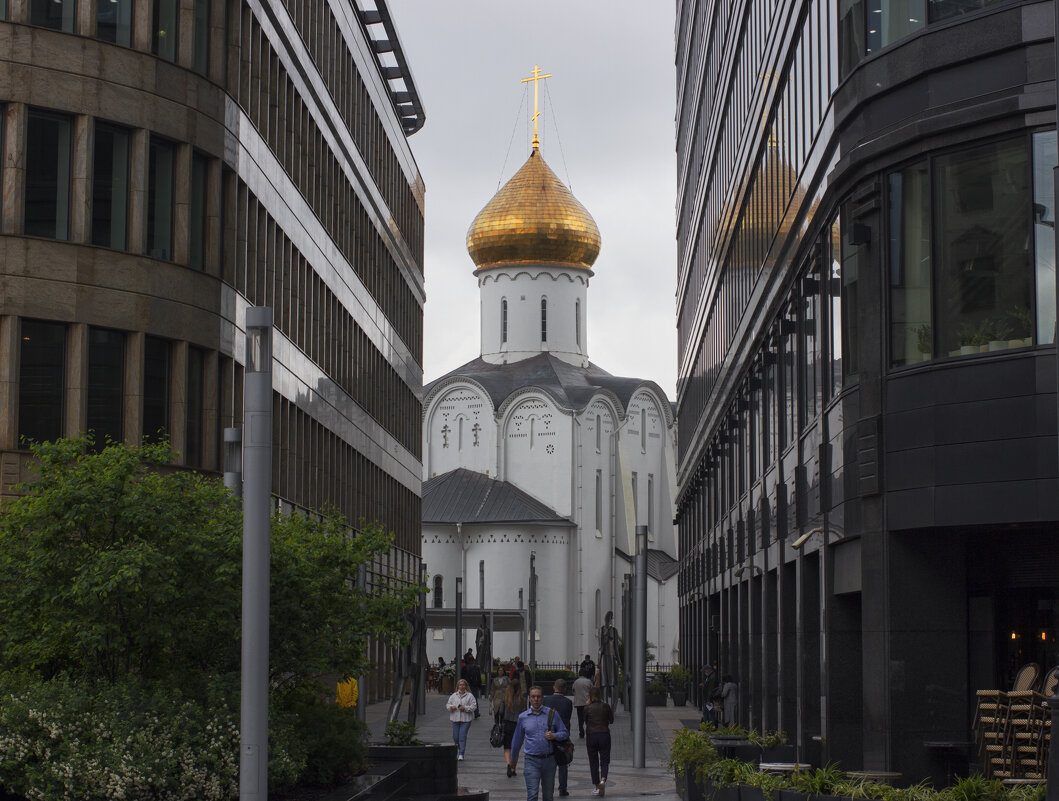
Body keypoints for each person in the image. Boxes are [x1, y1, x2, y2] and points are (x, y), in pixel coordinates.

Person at [509, 684, 569, 801]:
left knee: (548, 796)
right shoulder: (523, 717)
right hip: (531, 760)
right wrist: (512, 760)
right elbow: (517, 740)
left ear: (542, 698)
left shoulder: (552, 714)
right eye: (533, 697)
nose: (536, 699)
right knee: (532, 795)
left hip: (549, 760)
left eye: (538, 697)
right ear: (530, 698)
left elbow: (564, 733)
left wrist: (554, 735)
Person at [542, 678, 574, 797]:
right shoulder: (568, 702)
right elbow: (567, 719)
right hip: (562, 737)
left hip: (547, 735)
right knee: (562, 763)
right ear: (565, 689)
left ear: (554, 688)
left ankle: (548, 787)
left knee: (548, 763)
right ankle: (562, 788)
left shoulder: (545, 700)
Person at [584, 685, 613, 797]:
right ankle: (603, 780)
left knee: (593, 761)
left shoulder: (587, 707)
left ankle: (596, 785)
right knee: (605, 760)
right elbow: (611, 720)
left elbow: (585, 721)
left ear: (590, 696)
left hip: (591, 735)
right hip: (604, 734)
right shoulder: (605, 706)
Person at [446, 678, 478, 761]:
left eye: (463, 685)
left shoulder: (470, 696)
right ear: (458, 686)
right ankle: (459, 749)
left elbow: (474, 706)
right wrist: (451, 707)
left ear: (466, 686)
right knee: (455, 737)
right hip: (455, 719)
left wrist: (465, 708)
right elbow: (448, 704)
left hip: (466, 720)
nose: (462, 686)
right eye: (460, 685)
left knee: (462, 736)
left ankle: (461, 754)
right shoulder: (453, 695)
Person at [501, 677, 527, 776]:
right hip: (518, 724)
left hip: (507, 723)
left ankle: (508, 764)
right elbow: (525, 713)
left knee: (507, 747)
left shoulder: (506, 697)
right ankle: (513, 768)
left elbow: (501, 711)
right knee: (515, 747)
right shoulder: (522, 699)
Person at [598, 612, 621, 705]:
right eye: (608, 618)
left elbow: (616, 647)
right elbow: (600, 646)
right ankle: (605, 703)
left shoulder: (614, 630)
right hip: (604, 657)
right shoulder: (602, 629)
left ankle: (613, 706)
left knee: (612, 682)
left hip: (612, 657)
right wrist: (599, 661)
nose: (609, 620)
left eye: (610, 618)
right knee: (604, 683)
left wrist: (618, 660)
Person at [572, 671, 593, 738]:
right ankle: (589, 732)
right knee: (588, 718)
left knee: (580, 719)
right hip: (587, 703)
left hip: (579, 703)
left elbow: (573, 690)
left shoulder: (576, 682)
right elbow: (592, 690)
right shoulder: (588, 681)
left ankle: (581, 732)